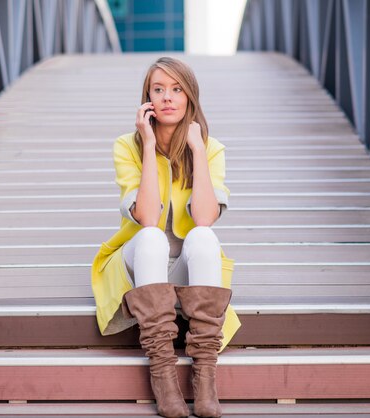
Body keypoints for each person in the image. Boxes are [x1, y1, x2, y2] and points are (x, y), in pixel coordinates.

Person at [91, 56, 240, 418]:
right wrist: (146, 145)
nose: (168, 98)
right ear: (147, 100)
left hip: (186, 273)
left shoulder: (211, 148)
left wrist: (198, 151)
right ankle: (163, 375)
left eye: (177, 89)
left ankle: (204, 381)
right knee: (152, 238)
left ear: (190, 97)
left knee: (203, 237)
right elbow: (148, 217)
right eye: (158, 90)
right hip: (138, 264)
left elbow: (205, 217)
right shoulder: (126, 146)